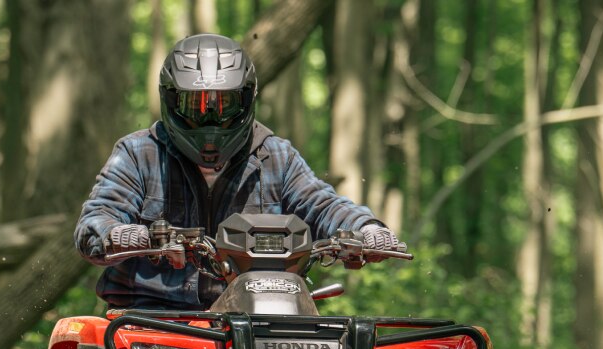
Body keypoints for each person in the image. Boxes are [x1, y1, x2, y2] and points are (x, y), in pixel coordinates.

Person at [74, 33, 403, 310]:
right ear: (170, 101)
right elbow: (97, 217)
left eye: (224, 105)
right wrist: (118, 235)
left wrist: (365, 228)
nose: (211, 121)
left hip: (254, 317)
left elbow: (321, 204)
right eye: (195, 107)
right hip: (153, 317)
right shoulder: (138, 154)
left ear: (247, 101)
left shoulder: (275, 156)